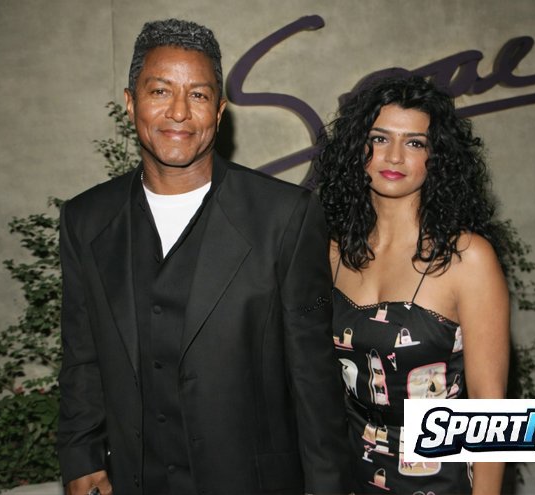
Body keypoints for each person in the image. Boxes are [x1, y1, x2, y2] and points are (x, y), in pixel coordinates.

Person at [57, 19, 351, 495]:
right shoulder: (85, 220)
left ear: (219, 111)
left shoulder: (284, 217)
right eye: (160, 91)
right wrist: (80, 458)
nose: (178, 112)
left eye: (197, 95)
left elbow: (313, 379)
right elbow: (82, 357)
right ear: (130, 102)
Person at [315, 75, 510, 494]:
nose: (395, 156)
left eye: (415, 143)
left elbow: (490, 408)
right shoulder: (329, 252)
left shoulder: (468, 258)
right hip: (348, 470)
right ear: (357, 148)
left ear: (436, 157)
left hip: (439, 477)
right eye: (379, 138)